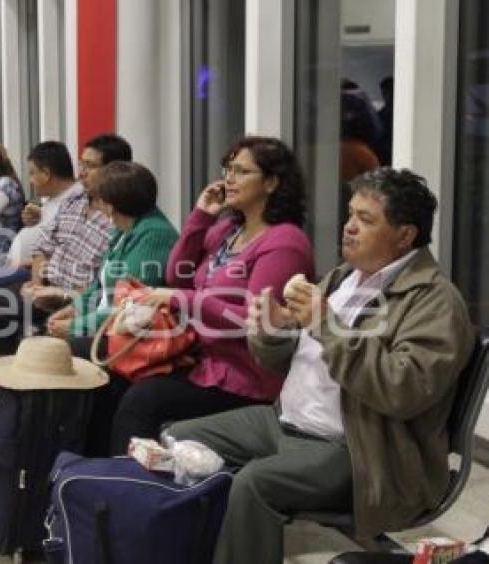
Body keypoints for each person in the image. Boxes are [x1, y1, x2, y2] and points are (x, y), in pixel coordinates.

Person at [167, 168, 475, 564]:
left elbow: (403, 390)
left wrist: (325, 323)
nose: (348, 228)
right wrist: (273, 329)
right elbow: (283, 363)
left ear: (405, 235)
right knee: (179, 439)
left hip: (361, 450)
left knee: (254, 485)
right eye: (350, 215)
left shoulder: (435, 302)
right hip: (286, 422)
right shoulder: (343, 278)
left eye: (365, 220)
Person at [108, 135, 314, 455]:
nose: (229, 178)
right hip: (201, 361)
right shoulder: (228, 230)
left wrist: (182, 299)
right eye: (228, 169)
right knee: (114, 379)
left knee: (143, 401)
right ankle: (93, 482)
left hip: (244, 379)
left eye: (242, 171)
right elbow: (178, 274)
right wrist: (201, 217)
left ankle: (130, 493)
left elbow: (253, 318)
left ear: (272, 183)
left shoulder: (284, 242)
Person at [46, 161, 180, 455]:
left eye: (99, 199)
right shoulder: (123, 231)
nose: (97, 206)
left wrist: (77, 327)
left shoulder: (154, 235)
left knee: (59, 354)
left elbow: (130, 308)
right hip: (111, 326)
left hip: (133, 335)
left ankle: (77, 450)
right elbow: (100, 288)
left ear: (113, 203)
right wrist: (76, 309)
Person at [0, 141, 112, 357]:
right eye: (81, 165)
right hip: (42, 279)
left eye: (89, 166)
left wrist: (58, 294)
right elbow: (43, 246)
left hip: (66, 292)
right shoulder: (73, 204)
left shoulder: (108, 216)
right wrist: (38, 285)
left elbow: (100, 283)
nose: (81, 173)